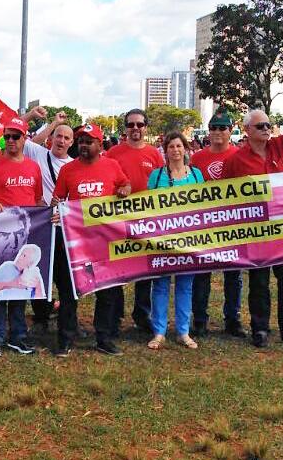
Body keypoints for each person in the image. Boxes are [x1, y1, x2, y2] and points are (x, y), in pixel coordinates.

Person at [221, 82, 283, 349]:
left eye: (269, 125)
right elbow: (223, 196)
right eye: (260, 126)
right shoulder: (236, 160)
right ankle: (260, 328)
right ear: (247, 131)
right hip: (257, 229)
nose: (266, 129)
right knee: (259, 281)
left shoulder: (282, 147)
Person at [51, 122, 132, 356]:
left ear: (100, 144)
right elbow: (57, 199)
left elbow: (125, 183)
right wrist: (57, 207)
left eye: (89, 142)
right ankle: (65, 338)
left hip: (103, 242)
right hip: (74, 243)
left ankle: (103, 337)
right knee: (68, 292)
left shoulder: (112, 165)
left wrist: (125, 189)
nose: (84, 145)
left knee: (106, 292)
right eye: (81, 142)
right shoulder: (68, 170)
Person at [0, 116, 44, 357]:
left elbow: (37, 201)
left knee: (20, 287)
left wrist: (46, 213)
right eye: (7, 137)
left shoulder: (33, 167)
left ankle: (18, 336)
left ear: (25, 138)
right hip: (0, 237)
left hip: (26, 236)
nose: (11, 141)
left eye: (16, 136)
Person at [105, 109, 164, 333]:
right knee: (118, 268)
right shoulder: (113, 153)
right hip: (119, 218)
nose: (135, 129)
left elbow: (161, 183)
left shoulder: (154, 154)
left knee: (145, 269)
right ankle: (116, 315)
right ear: (125, 128)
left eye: (140, 125)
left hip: (146, 219)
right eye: (131, 125)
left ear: (146, 127)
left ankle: (142, 314)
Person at [188, 108, 245, 338]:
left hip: (232, 222)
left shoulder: (240, 155)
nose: (217, 132)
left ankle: (233, 320)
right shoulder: (198, 158)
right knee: (202, 274)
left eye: (222, 128)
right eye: (213, 127)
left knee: (234, 274)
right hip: (204, 223)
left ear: (231, 130)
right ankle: (199, 320)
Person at [146, 131, 202, 350]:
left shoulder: (196, 175)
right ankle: (159, 332)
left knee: (185, 286)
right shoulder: (157, 176)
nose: (176, 150)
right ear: (165, 151)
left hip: (190, 239)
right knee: (160, 285)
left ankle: (183, 332)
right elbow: (146, 205)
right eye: (171, 147)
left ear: (185, 149)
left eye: (179, 146)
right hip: (162, 239)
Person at [23, 107, 74, 331]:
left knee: (65, 274)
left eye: (66, 138)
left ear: (72, 142)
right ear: (51, 138)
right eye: (58, 136)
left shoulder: (73, 166)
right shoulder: (39, 154)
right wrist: (47, 121)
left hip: (65, 227)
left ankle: (66, 316)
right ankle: (41, 315)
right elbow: (16, 132)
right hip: (41, 225)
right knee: (39, 270)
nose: (61, 141)